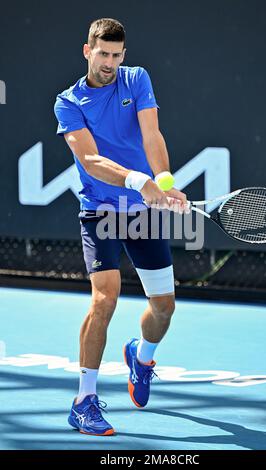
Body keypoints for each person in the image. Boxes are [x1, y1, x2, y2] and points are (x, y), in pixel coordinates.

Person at [54, 17, 188, 436]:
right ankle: (84, 401)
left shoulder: (137, 80)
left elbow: (152, 135)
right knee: (104, 299)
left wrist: (163, 182)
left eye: (116, 55)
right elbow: (90, 160)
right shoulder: (68, 102)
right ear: (87, 51)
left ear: (123, 54)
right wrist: (137, 180)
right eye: (102, 53)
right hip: (100, 211)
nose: (109, 62)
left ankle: (142, 357)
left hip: (143, 213)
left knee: (164, 308)